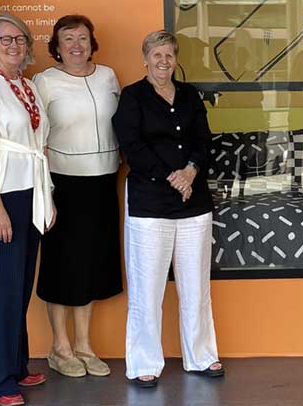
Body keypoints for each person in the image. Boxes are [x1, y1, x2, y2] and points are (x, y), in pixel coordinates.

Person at [115, 31, 224, 386]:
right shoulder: (132, 98)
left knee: (196, 287)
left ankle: (202, 356)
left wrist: (191, 171)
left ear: (176, 60)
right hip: (150, 204)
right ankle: (144, 362)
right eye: (157, 54)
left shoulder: (189, 95)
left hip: (194, 202)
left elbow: (203, 141)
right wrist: (171, 177)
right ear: (145, 58)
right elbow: (133, 147)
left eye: (169, 55)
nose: (164, 61)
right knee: (147, 289)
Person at [0, 13, 56, 406]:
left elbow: (42, 147)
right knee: (3, 291)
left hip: (31, 193)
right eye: (5, 40)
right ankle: (3, 381)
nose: (13, 45)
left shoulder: (27, 86)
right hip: (3, 195)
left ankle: (18, 365)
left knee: (20, 288)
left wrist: (47, 198)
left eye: (19, 39)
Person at [33, 15, 123, 378]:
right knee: (62, 265)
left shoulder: (108, 76)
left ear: (92, 42)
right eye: (68, 39)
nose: (76, 45)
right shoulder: (45, 81)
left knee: (92, 264)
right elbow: (36, 137)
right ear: (57, 45)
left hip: (103, 182)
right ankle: (60, 347)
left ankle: (84, 345)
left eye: (82, 38)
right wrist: (45, 190)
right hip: (62, 184)